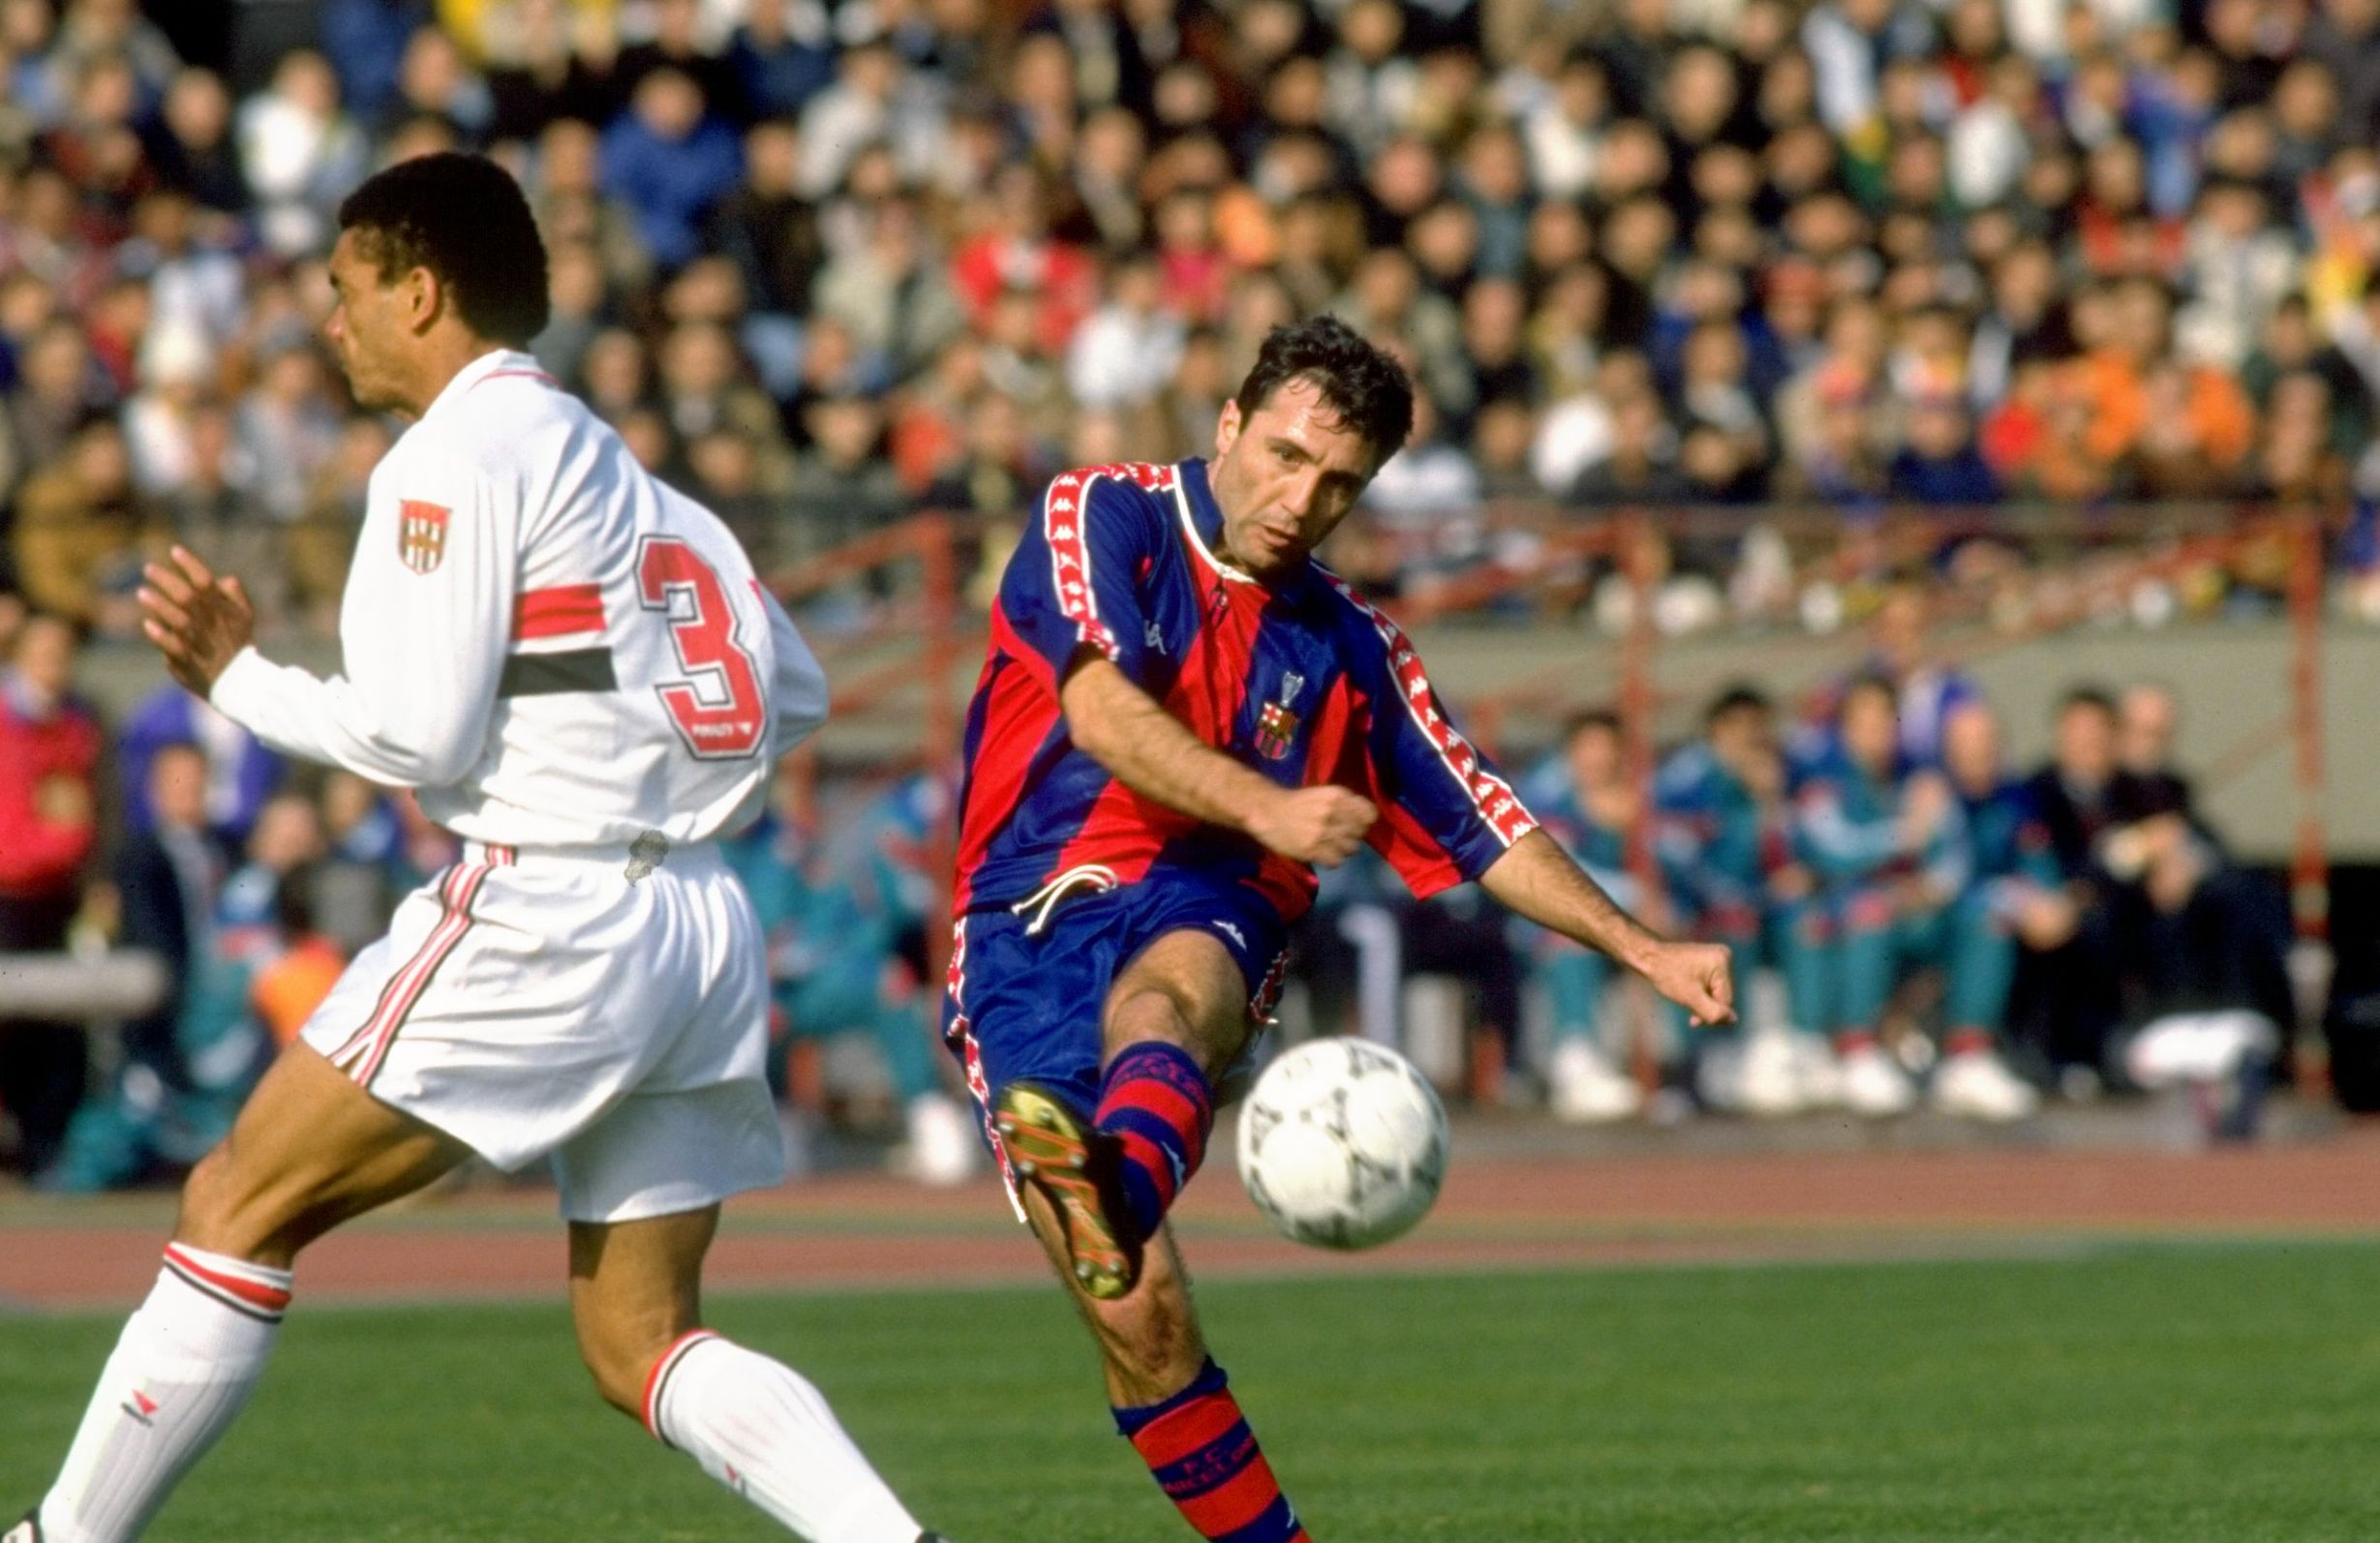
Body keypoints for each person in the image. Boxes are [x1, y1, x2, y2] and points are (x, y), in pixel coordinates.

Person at [11, 155, 950, 1543]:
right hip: (698, 921)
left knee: (234, 1196)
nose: (330, 321)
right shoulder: (638, 480)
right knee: (641, 1340)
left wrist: (238, 679)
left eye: (347, 289)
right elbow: (791, 690)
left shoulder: (449, 455)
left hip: (550, 906)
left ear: (420, 292)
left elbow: (418, 733)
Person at [940, 316, 1731, 1543]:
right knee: (1143, 1319)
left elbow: (1481, 817)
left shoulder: (1350, 644)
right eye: (1286, 456)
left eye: (1339, 484)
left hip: (1211, 895)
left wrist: (1645, 948)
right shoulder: (1105, 515)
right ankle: (1118, 1204)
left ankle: (1115, 1182)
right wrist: (1266, 802)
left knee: (1173, 989)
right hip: (1030, 913)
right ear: (1228, 426)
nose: (1301, 501)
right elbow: (1099, 709)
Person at [0, 611, 105, 1179]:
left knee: (58, 1029)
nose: (52, 664)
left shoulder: (76, 725)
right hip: (7, 898)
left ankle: (46, 1147)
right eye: (42, 652)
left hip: (55, 898)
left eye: (61, 653)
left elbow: (83, 813)